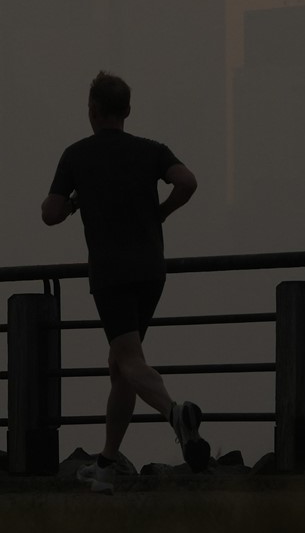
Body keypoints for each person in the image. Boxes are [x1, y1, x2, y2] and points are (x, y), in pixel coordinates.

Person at [42, 71, 204, 493]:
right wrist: (163, 211)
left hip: (111, 273)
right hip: (152, 269)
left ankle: (175, 412)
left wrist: (75, 201)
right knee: (121, 366)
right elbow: (187, 181)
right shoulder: (151, 151)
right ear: (127, 111)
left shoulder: (77, 155)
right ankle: (107, 466)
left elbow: (50, 213)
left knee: (129, 360)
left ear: (92, 111)